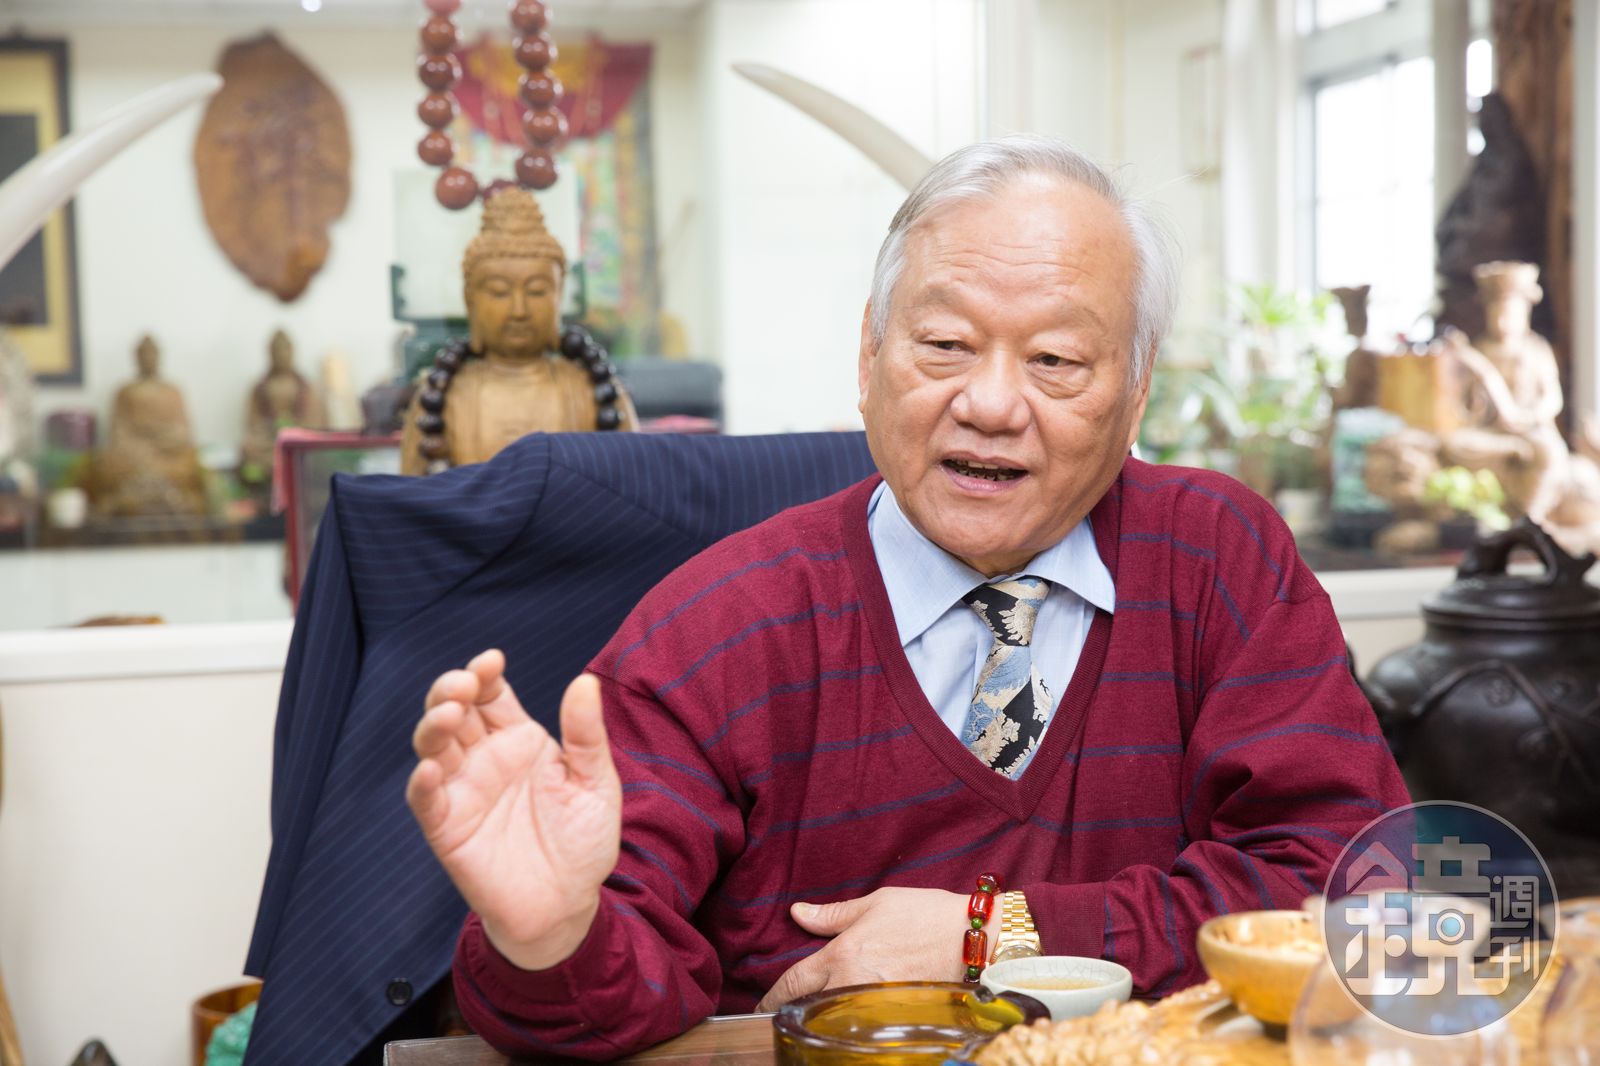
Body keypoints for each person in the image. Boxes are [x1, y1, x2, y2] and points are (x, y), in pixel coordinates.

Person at [406, 136, 1409, 1058]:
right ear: (869, 358)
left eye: (1055, 361)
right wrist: (553, 936)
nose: (990, 403)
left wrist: (998, 936)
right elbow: (602, 996)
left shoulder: (1218, 560)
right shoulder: (718, 627)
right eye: (944, 345)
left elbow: (1358, 888)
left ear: (1136, 389)